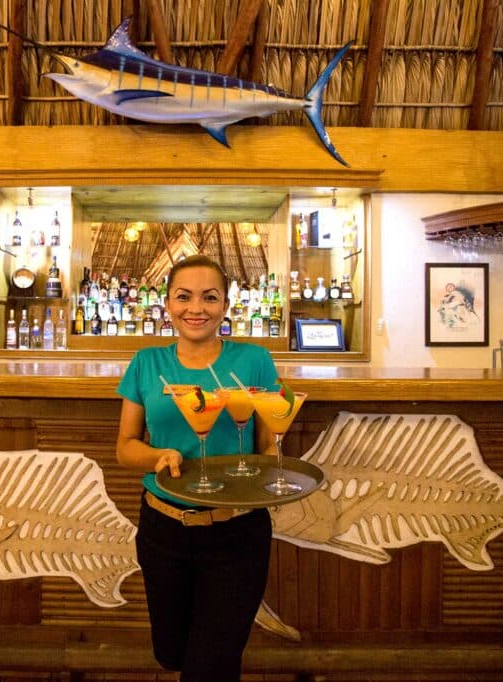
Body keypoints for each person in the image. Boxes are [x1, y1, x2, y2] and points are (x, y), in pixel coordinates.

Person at [116, 255, 279, 681]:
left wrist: (272, 452)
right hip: (163, 528)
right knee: (171, 654)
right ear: (167, 304)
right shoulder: (146, 363)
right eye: (183, 297)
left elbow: (267, 442)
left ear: (225, 304)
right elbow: (125, 447)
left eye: (210, 297)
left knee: (210, 666)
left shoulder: (255, 360)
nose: (196, 308)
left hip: (237, 532)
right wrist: (159, 457)